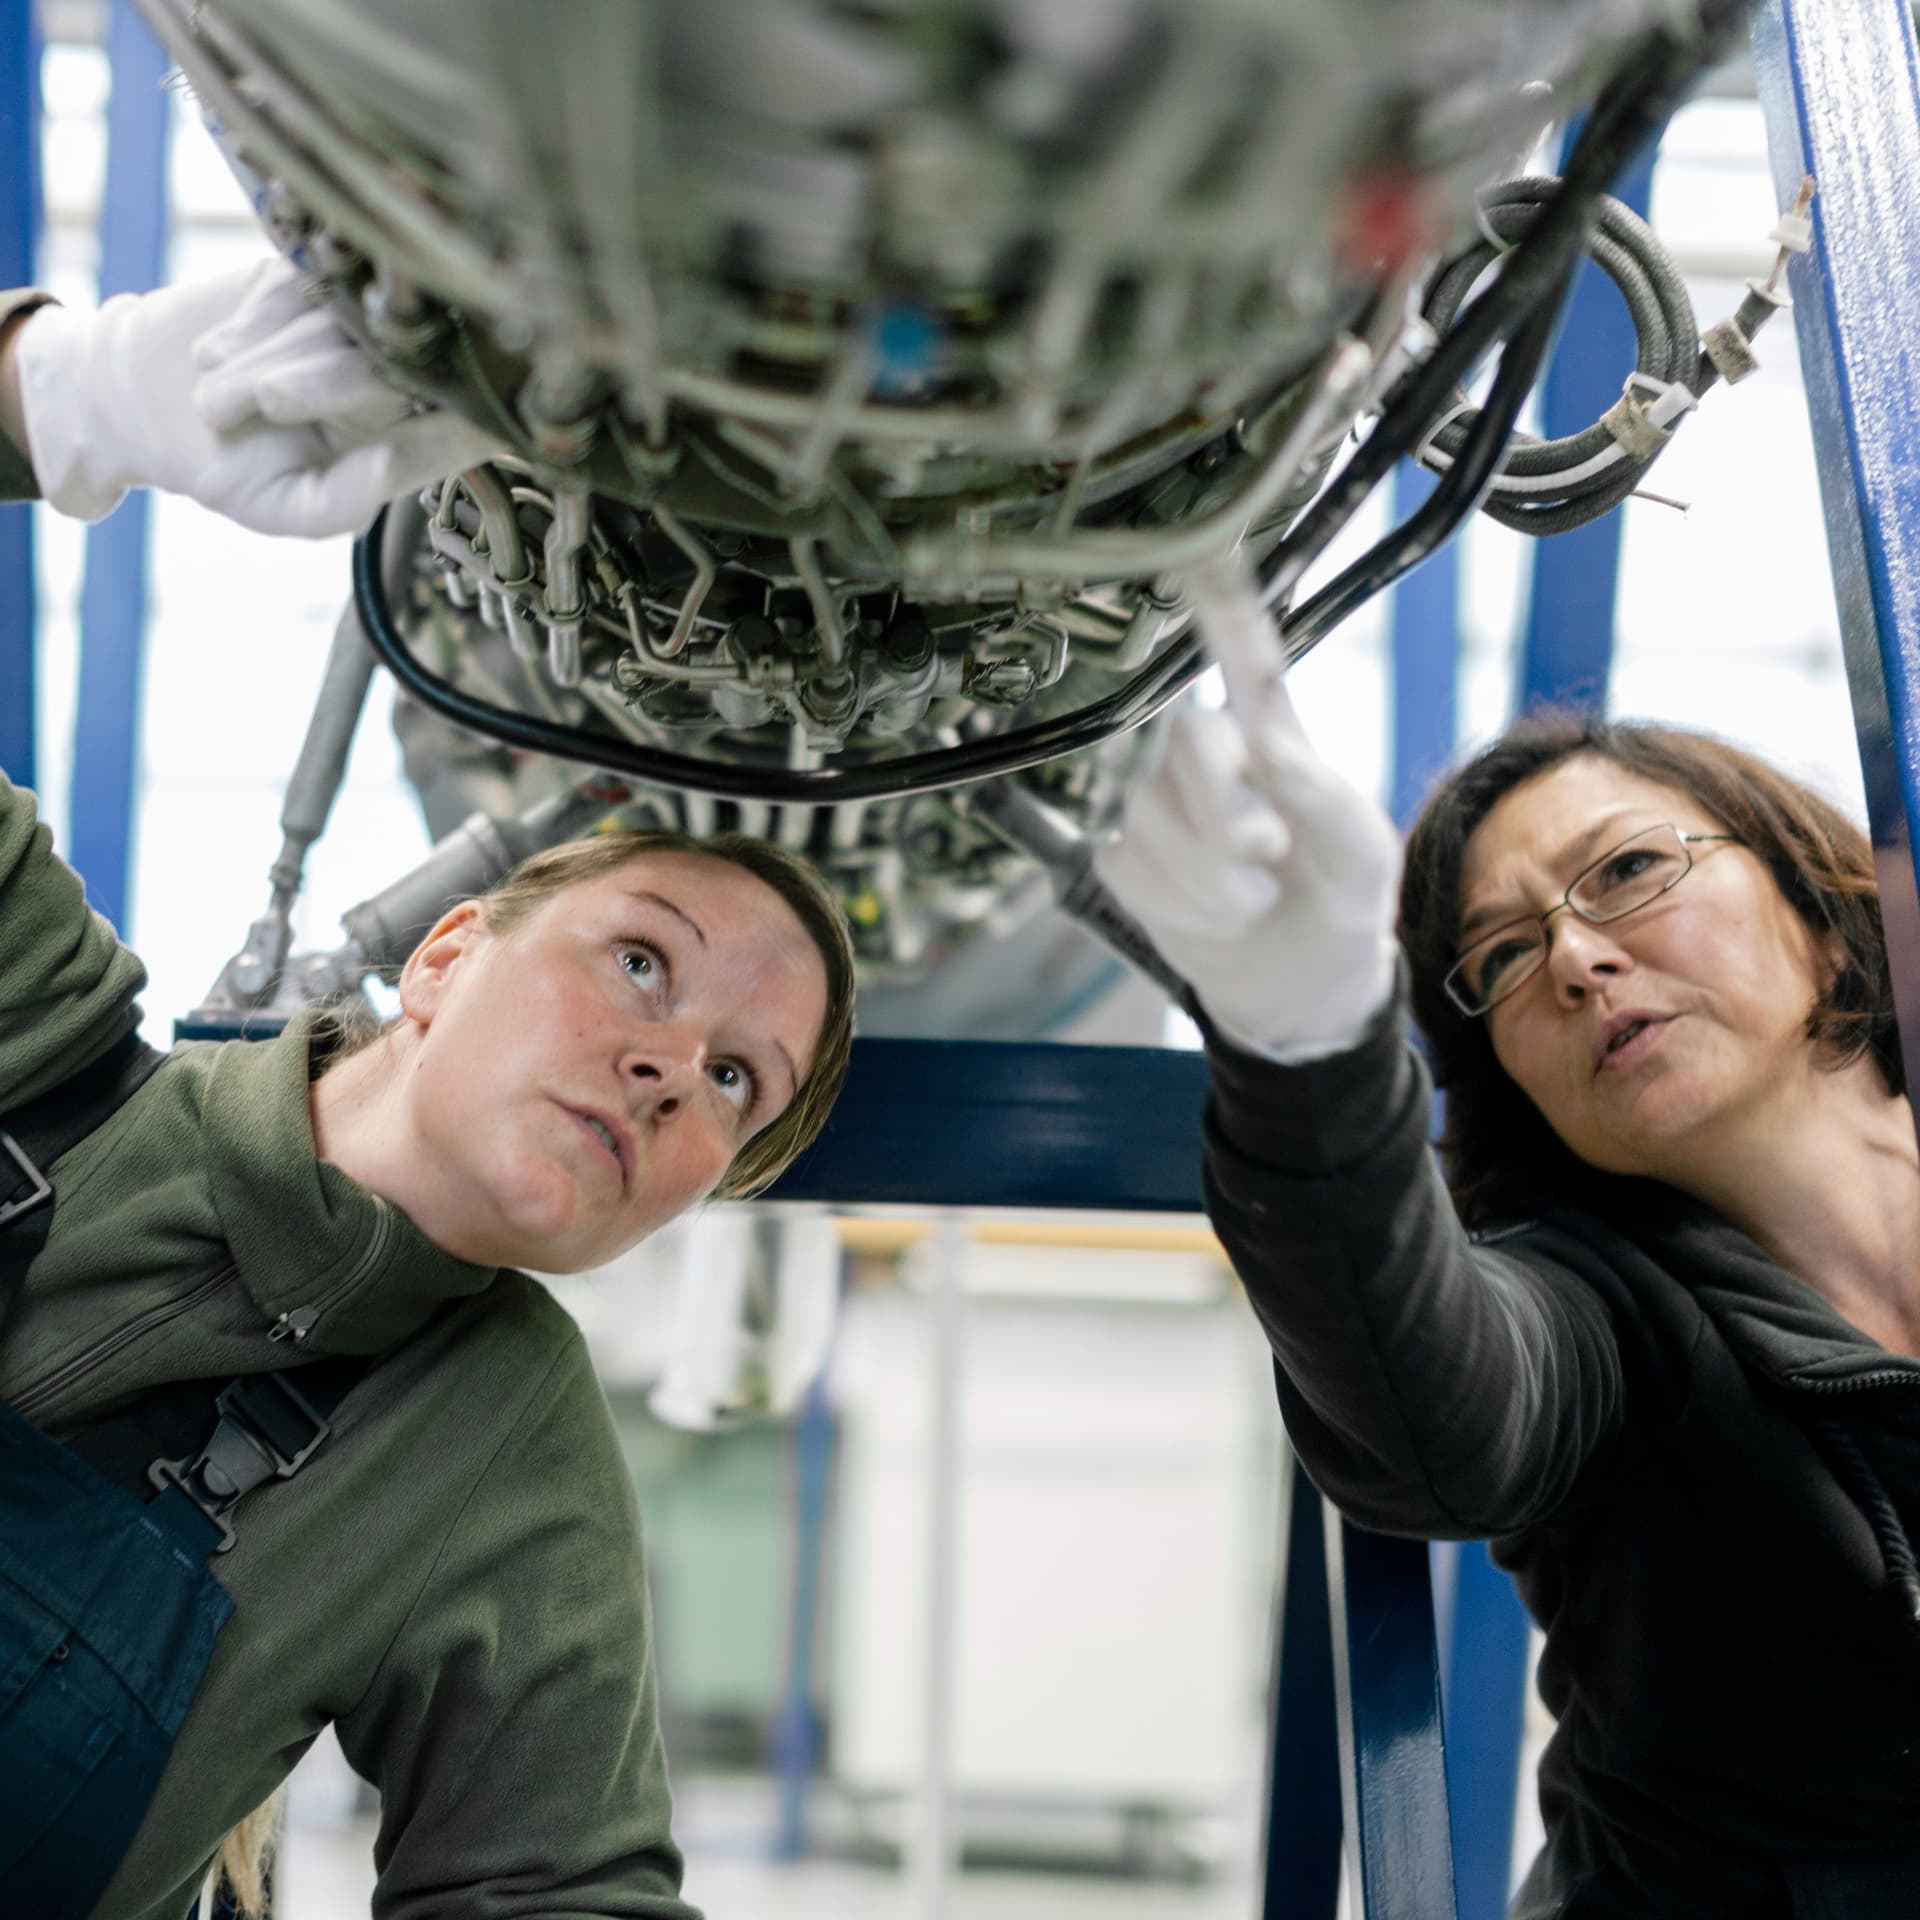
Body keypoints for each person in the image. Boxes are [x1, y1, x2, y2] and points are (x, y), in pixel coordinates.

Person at [0, 263, 857, 1920]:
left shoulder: (498, 1446)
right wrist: (55, 395)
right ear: (449, 951)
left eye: (733, 1081)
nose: (670, 1066)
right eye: (642, 962)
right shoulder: (31, 1017)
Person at [1099, 566, 1920, 1919]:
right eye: (1501, 959)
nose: (1577, 960)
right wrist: (1306, 1036)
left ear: (1822, 917)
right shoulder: (1598, 1316)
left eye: (1629, 870)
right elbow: (1439, 1401)